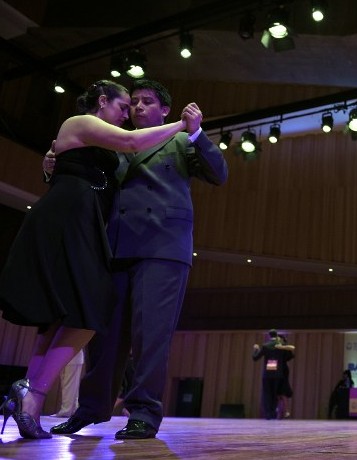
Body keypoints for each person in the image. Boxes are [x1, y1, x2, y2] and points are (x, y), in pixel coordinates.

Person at [0, 79, 190, 439]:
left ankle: (30, 396)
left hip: (84, 224)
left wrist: (52, 165)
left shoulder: (103, 141)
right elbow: (132, 143)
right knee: (90, 311)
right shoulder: (81, 122)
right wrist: (182, 124)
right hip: (67, 220)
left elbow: (88, 165)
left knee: (65, 316)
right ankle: (34, 392)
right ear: (103, 101)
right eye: (123, 107)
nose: (127, 114)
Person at [48, 79, 228, 440]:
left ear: (165, 110)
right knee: (104, 337)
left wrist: (196, 134)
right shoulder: (115, 144)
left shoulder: (179, 139)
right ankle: (91, 409)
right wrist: (54, 166)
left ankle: (144, 413)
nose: (138, 108)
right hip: (117, 249)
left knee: (151, 337)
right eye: (134, 103)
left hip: (163, 249)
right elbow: (88, 186)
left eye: (148, 102)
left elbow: (218, 173)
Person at [252, 330, 294, 420]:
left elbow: (255, 358)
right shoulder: (281, 345)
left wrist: (255, 349)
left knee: (267, 394)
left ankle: (268, 414)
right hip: (279, 373)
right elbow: (289, 356)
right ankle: (274, 414)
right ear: (276, 335)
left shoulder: (265, 346)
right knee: (275, 394)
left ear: (269, 336)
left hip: (268, 373)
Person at [53, 349, 85, 418]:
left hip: (73, 356)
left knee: (69, 385)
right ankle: (73, 410)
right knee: (68, 385)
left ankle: (66, 411)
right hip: (65, 356)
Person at [276, 334, 295, 419]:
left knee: (282, 392)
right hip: (275, 369)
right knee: (277, 393)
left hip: (282, 369)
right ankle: (279, 411)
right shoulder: (275, 348)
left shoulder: (285, 348)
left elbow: (290, 356)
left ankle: (286, 410)